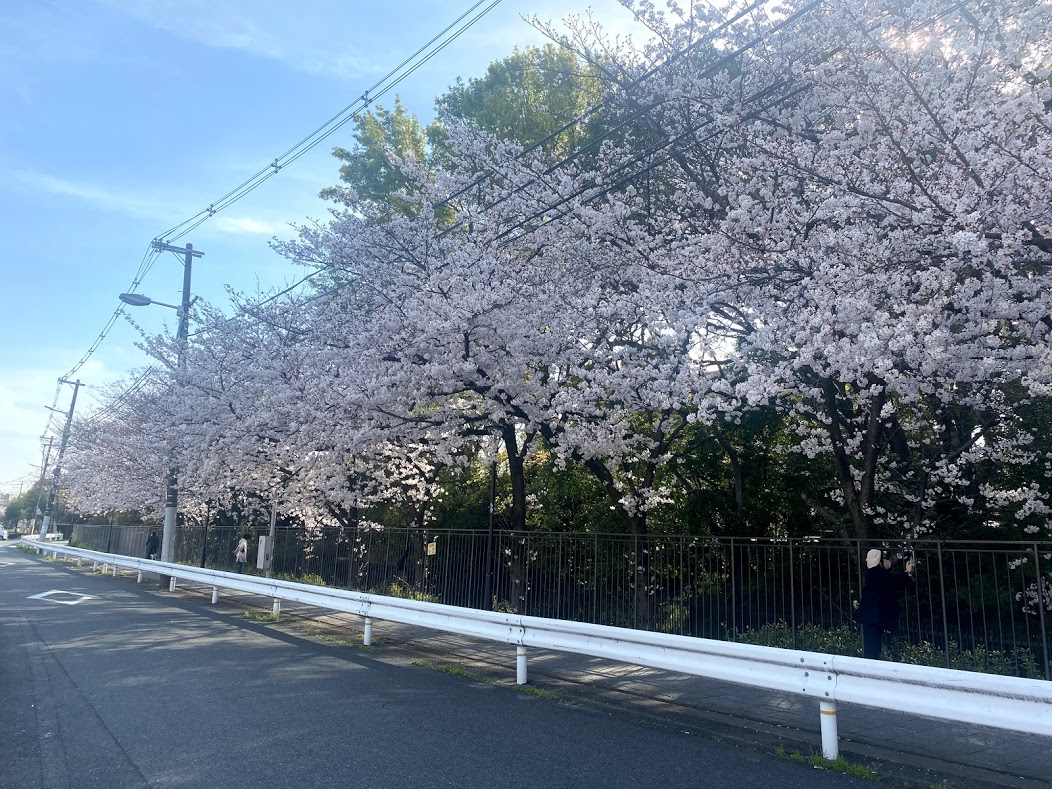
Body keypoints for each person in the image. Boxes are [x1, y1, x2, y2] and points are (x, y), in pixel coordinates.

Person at [857, 548, 914, 660]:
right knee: (873, 649)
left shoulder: (872, 574)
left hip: (870, 616)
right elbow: (894, 582)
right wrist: (907, 573)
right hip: (874, 617)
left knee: (870, 646)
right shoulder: (879, 574)